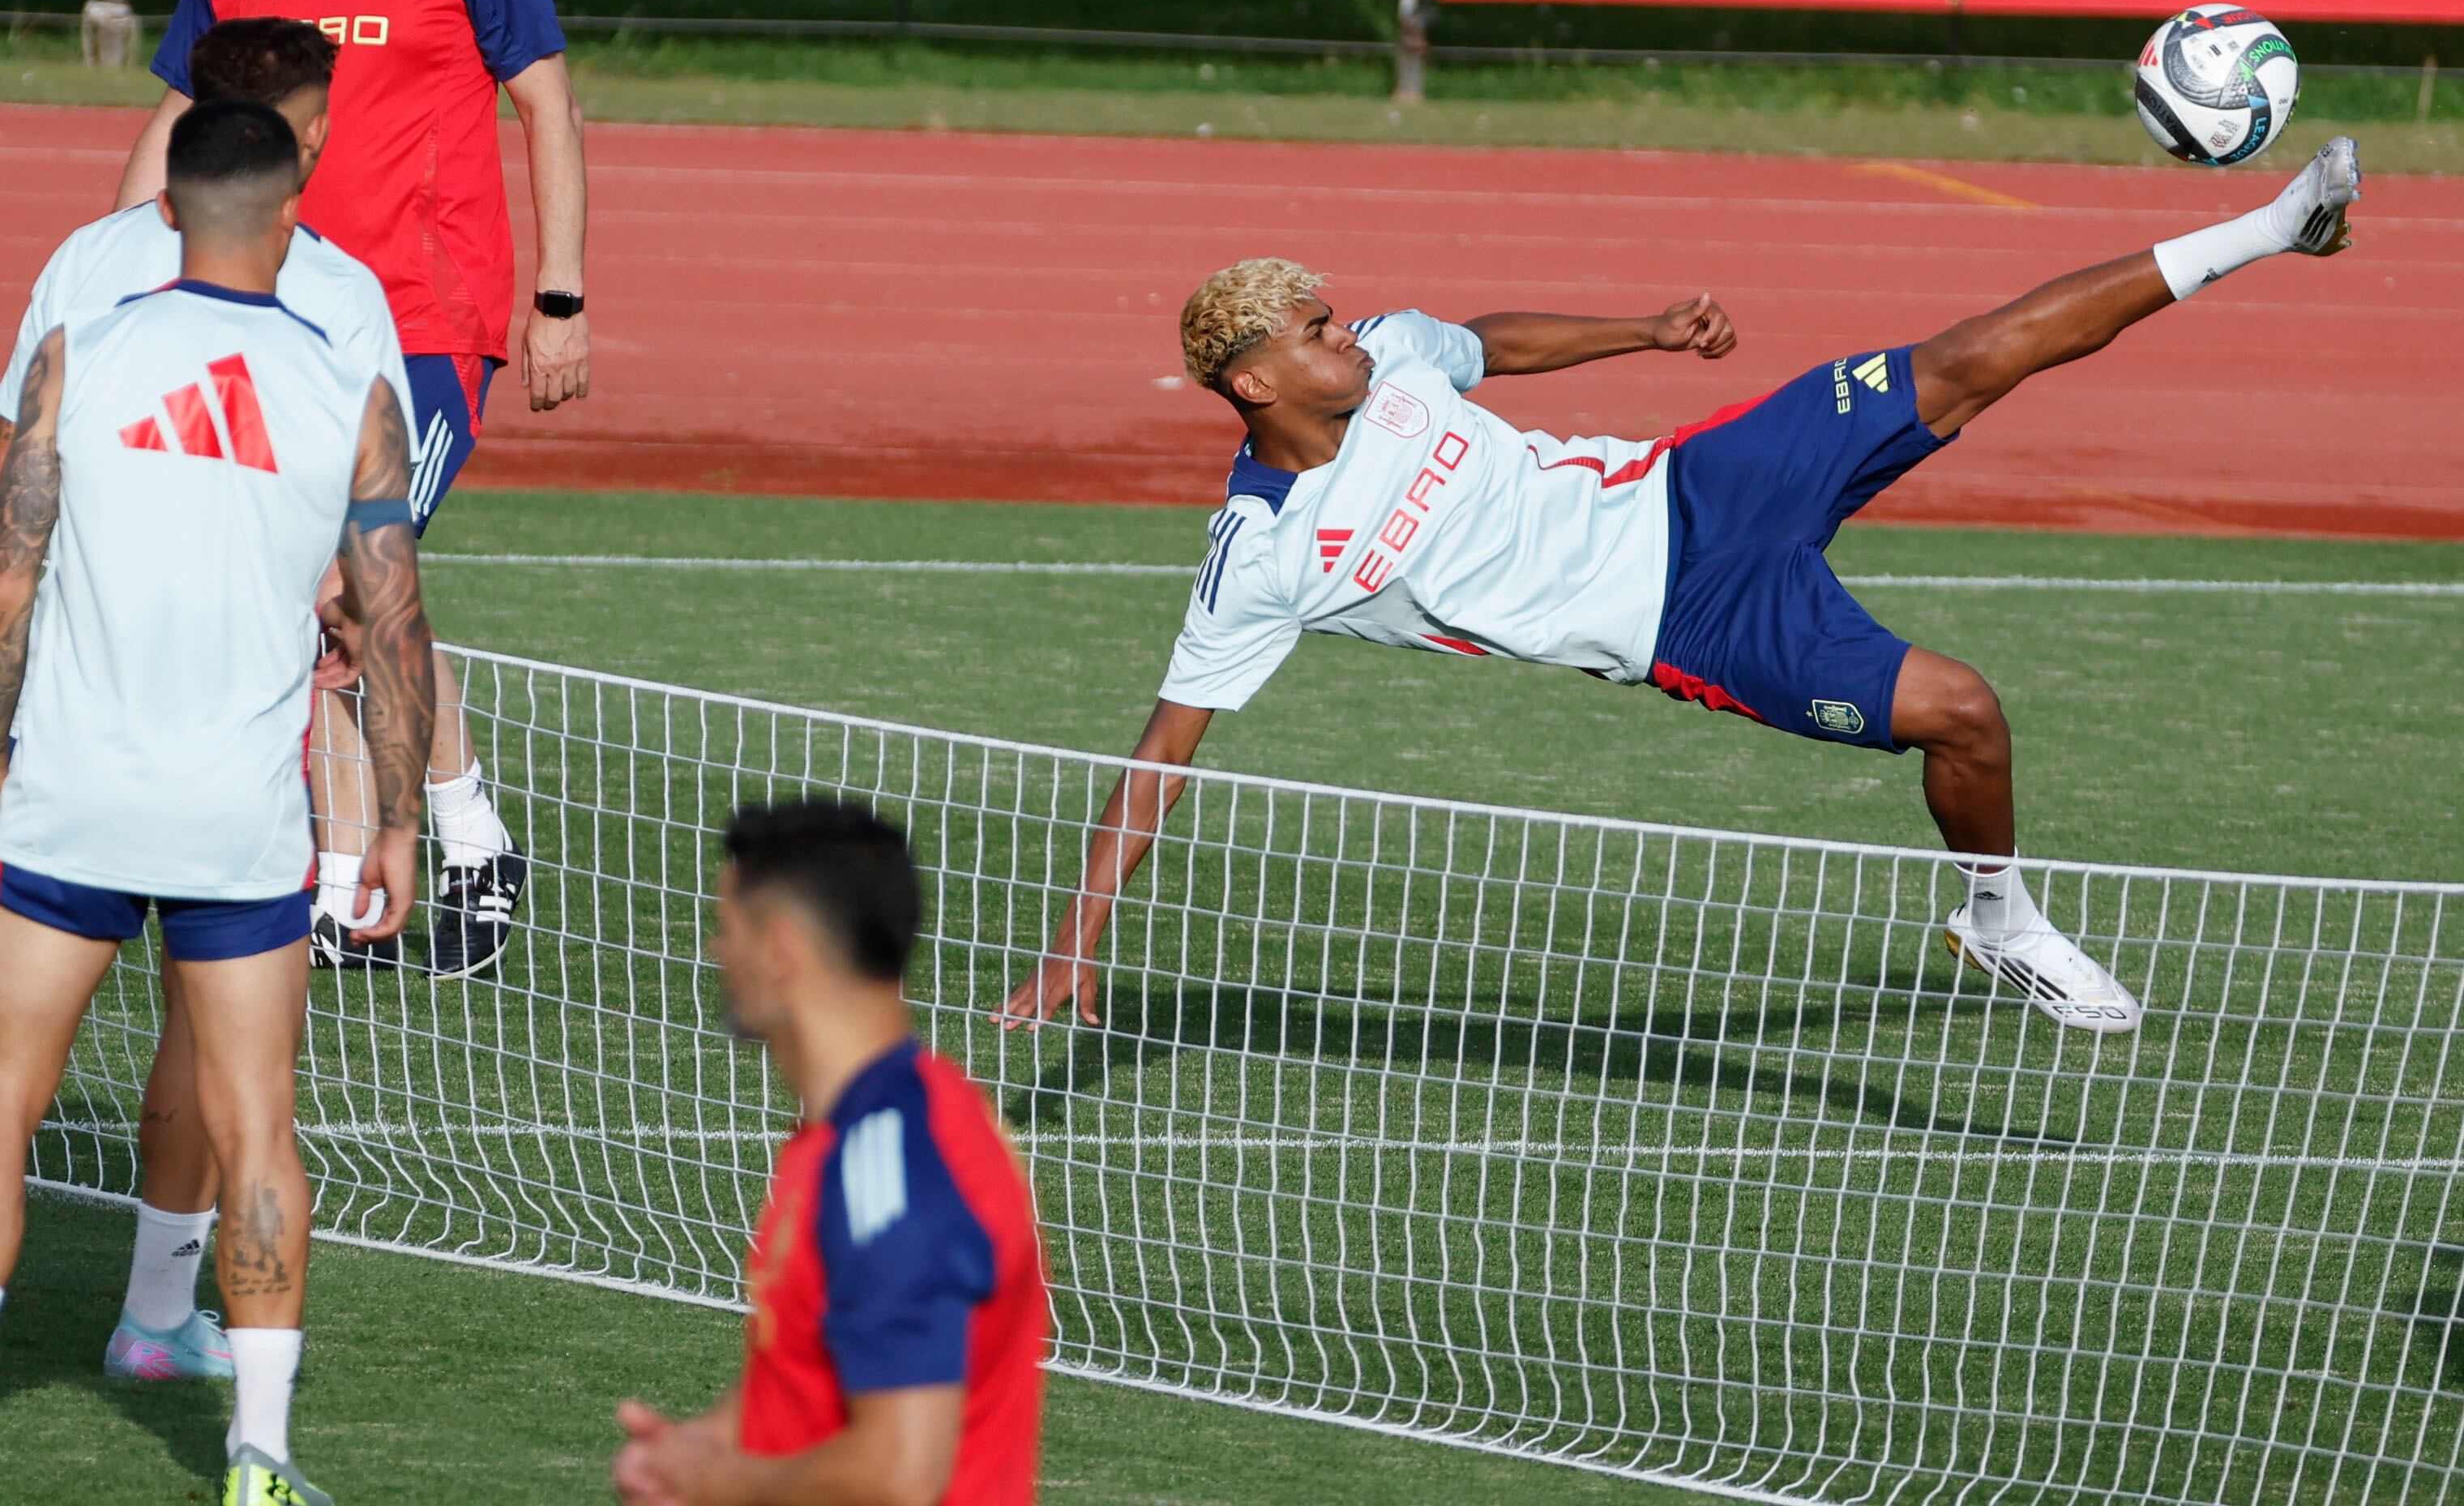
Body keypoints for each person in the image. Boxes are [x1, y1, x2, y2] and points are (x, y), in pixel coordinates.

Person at [1003, 139, 2365, 1040]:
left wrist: (1644, 330)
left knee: (1967, 358)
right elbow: (1164, 750)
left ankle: (2271, 223)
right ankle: (1997, 915)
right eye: (1315, 331)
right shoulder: (1264, 554)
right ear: (1254, 383)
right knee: (1963, 713)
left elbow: (1489, 344)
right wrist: (1078, 942)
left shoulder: (1397, 357)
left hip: (1703, 483)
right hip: (1690, 623)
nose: (1347, 332)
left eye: (1337, 313)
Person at [0, 100, 436, 1506]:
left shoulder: (76, 353)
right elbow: (394, 627)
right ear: (291, 216)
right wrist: (396, 819)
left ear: (166, 210)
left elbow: (6, 579)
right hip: (239, 822)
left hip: (74, 798)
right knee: (257, 1128)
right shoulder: (351, 386)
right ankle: (259, 1460)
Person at [113, 0, 592, 977]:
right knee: (309, 585)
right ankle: (340, 879)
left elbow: (548, 99)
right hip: (285, 316)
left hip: (429, 326)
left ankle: (468, 841)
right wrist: (117, 275)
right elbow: (184, 114)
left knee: (347, 574)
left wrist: (561, 297)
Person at [613, 802, 1045, 1506]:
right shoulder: (864, 1127)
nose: (717, 953)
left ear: (781, 951)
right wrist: (695, 1448)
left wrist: (715, 1482)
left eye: (728, 929)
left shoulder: (892, 1167)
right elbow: (822, 1361)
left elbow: (900, 1474)